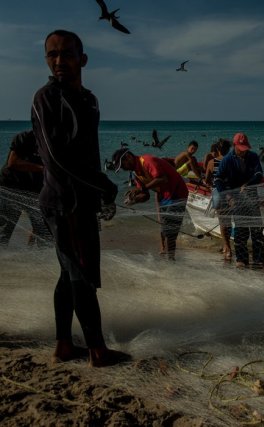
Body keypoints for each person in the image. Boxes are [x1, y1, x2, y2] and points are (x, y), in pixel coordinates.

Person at [31, 29, 129, 367]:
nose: (59, 61)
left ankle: (63, 346)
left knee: (67, 273)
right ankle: (98, 351)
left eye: (67, 54)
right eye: (52, 54)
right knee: (80, 273)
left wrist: (101, 189)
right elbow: (55, 158)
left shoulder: (89, 100)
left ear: (82, 59)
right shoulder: (45, 98)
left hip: (83, 201)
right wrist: (102, 183)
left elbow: (88, 152)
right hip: (61, 202)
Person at [111, 148, 188, 261]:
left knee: (170, 232)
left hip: (177, 192)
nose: (123, 168)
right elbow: (145, 195)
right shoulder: (136, 173)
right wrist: (135, 200)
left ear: (128, 157)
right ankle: (168, 257)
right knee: (164, 229)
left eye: (122, 165)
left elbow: (163, 178)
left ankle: (171, 262)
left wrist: (141, 188)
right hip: (164, 195)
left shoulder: (147, 161)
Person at [214, 132, 264, 268]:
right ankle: (241, 259)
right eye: (241, 148)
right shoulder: (227, 159)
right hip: (235, 198)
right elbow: (218, 179)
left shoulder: (253, 156)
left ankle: (259, 258)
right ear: (235, 146)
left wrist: (247, 185)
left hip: (251, 196)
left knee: (257, 229)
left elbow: (259, 174)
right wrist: (228, 196)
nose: (243, 151)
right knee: (241, 229)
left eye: (245, 148)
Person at [0, 130, 52, 246]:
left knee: (42, 231)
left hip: (34, 190)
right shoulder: (25, 137)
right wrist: (43, 169)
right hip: (10, 187)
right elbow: (12, 163)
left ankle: (31, 258)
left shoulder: (52, 143)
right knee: (5, 230)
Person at [204, 138, 233, 260]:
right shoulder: (232, 161)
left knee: (222, 222)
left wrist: (211, 185)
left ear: (217, 149)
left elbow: (207, 179)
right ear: (228, 149)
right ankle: (227, 246)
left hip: (218, 194)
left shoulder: (212, 162)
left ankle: (226, 247)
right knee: (228, 221)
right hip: (231, 194)